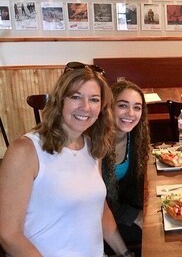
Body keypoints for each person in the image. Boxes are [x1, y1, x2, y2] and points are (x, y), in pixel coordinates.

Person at [0, 62, 131, 256]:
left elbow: (99, 209)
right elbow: (9, 235)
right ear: (59, 101)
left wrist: (125, 253)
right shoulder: (25, 151)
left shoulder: (93, 148)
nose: (85, 107)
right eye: (76, 97)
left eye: (94, 99)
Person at [102, 80, 151, 254]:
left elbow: (133, 187)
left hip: (120, 209)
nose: (130, 113)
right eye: (123, 105)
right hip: (95, 220)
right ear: (109, 107)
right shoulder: (96, 144)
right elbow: (97, 203)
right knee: (153, 234)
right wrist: (133, 215)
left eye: (137, 107)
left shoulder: (134, 139)